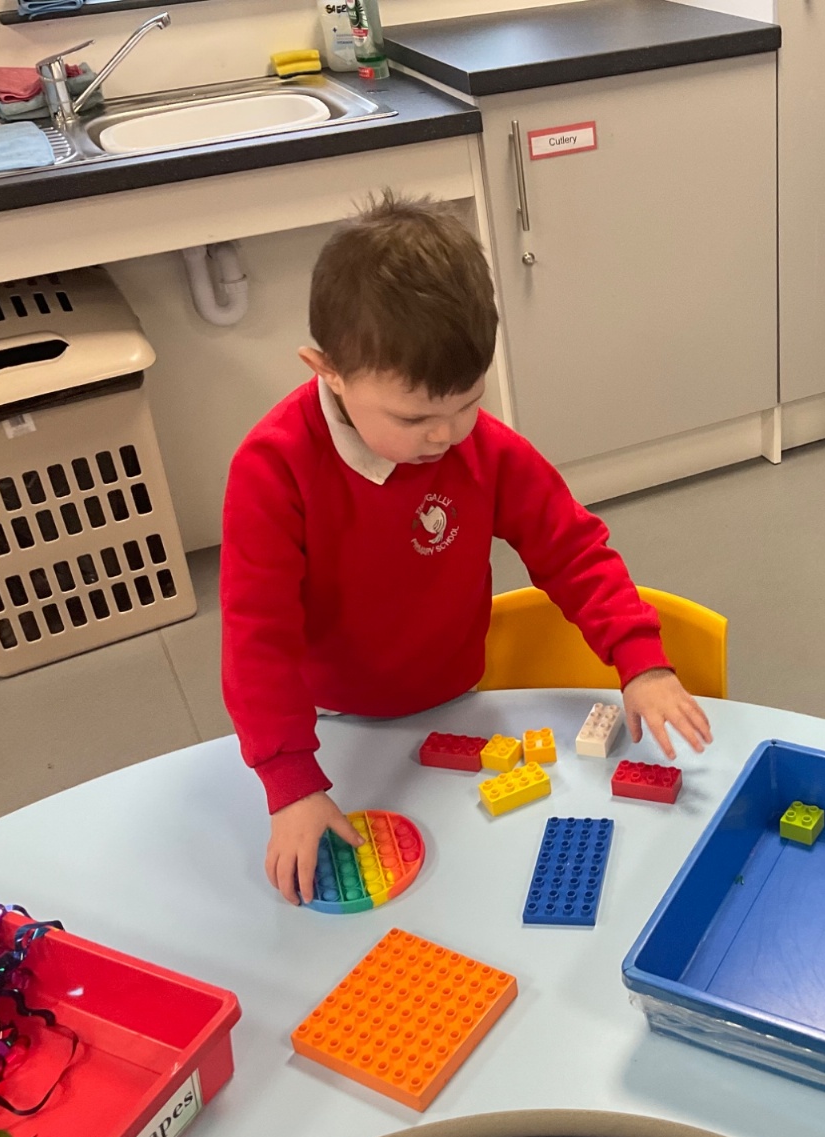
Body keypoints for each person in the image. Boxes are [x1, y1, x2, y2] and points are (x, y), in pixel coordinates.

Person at [221, 194, 713, 904]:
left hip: (454, 700)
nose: (444, 435)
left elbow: (573, 551)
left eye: (467, 402)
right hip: (331, 721)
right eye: (415, 416)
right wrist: (291, 783)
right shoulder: (273, 470)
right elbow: (256, 639)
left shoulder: (484, 450)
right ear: (328, 371)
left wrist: (640, 660)